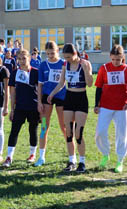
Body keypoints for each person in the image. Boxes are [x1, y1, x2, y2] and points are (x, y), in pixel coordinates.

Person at [47, 43, 93, 173]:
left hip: (81, 99)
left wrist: (85, 70)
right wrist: (52, 94)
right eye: (65, 57)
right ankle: (71, 160)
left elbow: (90, 84)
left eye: (68, 57)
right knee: (69, 132)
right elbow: (61, 83)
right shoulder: (65, 65)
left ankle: (82, 162)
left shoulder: (85, 63)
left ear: (75, 54)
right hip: (69, 98)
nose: (66, 59)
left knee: (78, 133)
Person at [94, 45, 127, 173]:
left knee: (122, 134)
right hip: (105, 106)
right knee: (100, 132)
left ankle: (120, 160)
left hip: (122, 107)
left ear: (122, 58)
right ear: (110, 57)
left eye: (118, 59)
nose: (115, 62)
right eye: (113, 59)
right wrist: (96, 104)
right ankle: (105, 154)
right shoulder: (104, 68)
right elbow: (98, 88)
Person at [2, 49, 39, 167]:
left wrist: (41, 105)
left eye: (24, 58)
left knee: (33, 130)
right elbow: (12, 92)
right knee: (14, 131)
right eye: (19, 59)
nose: (22, 61)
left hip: (34, 106)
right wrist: (12, 109)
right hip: (20, 107)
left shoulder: (36, 72)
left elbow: (41, 91)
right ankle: (9, 157)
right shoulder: (14, 73)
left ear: (29, 58)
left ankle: (32, 154)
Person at [34, 41, 66, 167]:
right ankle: (41, 157)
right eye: (48, 54)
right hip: (47, 97)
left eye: (52, 53)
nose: (50, 56)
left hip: (61, 95)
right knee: (44, 127)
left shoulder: (63, 63)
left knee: (64, 126)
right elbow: (40, 85)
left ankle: (72, 153)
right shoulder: (43, 65)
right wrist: (39, 102)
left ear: (57, 51)